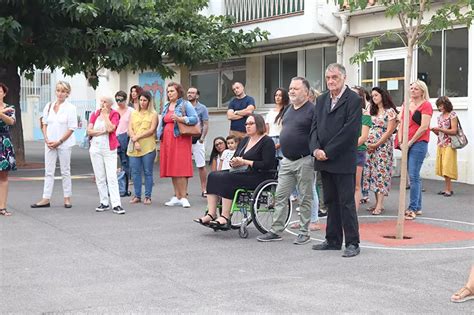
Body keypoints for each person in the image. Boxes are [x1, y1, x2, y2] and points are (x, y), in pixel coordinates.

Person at [310, 63, 362, 258]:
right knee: (330, 200)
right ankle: (332, 239)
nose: (331, 81)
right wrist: (315, 149)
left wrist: (328, 151)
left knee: (346, 202)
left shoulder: (353, 100)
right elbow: (314, 126)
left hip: (342, 158)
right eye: (328, 78)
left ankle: (352, 243)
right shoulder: (322, 99)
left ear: (343, 78)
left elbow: (350, 131)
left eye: (335, 78)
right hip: (323, 158)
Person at [256, 77, 315, 245]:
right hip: (287, 160)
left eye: (296, 88)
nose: (292, 91)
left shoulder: (312, 110)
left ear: (306, 91)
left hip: (304, 159)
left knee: (305, 197)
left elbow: (318, 133)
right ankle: (276, 230)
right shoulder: (288, 109)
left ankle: (304, 232)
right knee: (280, 196)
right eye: (290, 88)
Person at [194, 114, 276, 229]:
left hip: (259, 175)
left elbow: (267, 164)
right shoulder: (245, 140)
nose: (247, 126)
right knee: (213, 175)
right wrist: (234, 162)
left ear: (259, 124)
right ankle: (211, 214)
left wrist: (245, 162)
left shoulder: (267, 141)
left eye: (251, 123)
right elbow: (237, 156)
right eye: (246, 124)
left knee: (228, 178)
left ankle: (225, 216)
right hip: (242, 171)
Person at [31, 81, 77, 209]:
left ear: (67, 93)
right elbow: (44, 123)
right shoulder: (49, 106)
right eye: (58, 90)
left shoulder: (71, 108)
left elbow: (72, 128)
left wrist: (59, 141)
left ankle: (67, 197)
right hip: (50, 143)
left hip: (64, 144)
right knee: (48, 171)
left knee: (65, 171)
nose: (60, 93)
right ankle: (46, 198)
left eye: (63, 91)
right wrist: (46, 139)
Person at [157, 82, 198, 208]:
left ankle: (183, 196)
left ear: (178, 92)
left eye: (172, 91)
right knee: (172, 168)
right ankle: (176, 195)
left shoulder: (185, 104)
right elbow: (163, 122)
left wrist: (181, 119)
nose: (169, 93)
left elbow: (194, 118)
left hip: (180, 138)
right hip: (167, 139)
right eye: (168, 91)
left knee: (181, 167)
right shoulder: (166, 106)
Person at [399, 80, 433, 220]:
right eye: (411, 88)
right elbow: (401, 123)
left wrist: (410, 142)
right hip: (406, 142)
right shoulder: (406, 105)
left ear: (422, 91)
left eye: (416, 89)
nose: (413, 91)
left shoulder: (426, 105)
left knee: (413, 175)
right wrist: (401, 141)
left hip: (419, 142)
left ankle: (413, 208)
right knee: (412, 175)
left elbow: (424, 126)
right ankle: (417, 206)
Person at [362, 87, 398, 215]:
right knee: (372, 173)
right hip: (370, 146)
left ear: (382, 95)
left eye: (376, 95)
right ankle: (376, 202)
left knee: (381, 173)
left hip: (383, 146)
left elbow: (389, 131)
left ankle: (380, 204)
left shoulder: (390, 112)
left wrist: (377, 143)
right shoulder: (371, 110)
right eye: (372, 96)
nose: (374, 98)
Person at [87, 96, 124, 214]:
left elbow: (111, 128)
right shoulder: (94, 114)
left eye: (104, 102)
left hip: (109, 148)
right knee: (100, 176)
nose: (102, 104)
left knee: (111, 176)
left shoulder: (114, 114)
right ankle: (104, 202)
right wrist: (101, 132)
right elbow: (89, 131)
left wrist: (105, 117)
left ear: (109, 104)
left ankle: (116, 204)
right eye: (101, 101)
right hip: (95, 147)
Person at [128, 91, 158, 205]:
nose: (142, 102)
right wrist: (134, 139)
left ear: (149, 101)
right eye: (141, 100)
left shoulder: (153, 114)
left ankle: (148, 196)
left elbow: (151, 130)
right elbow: (129, 128)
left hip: (148, 146)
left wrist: (137, 137)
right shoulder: (134, 113)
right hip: (134, 146)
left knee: (147, 172)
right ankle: (137, 195)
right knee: (135, 172)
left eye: (145, 100)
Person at [431, 96, 458, 197]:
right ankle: (447, 188)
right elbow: (440, 134)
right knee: (442, 167)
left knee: (447, 166)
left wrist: (440, 129)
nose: (440, 107)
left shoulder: (452, 115)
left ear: (446, 105)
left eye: (442, 105)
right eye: (439, 106)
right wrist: (436, 131)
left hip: (450, 144)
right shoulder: (440, 117)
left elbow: (454, 131)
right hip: (441, 143)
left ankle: (448, 189)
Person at [351, 86, 372, 212]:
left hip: (357, 151)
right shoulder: (344, 112)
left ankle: (353, 212)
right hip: (344, 152)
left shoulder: (364, 114)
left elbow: (363, 137)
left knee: (356, 185)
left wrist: (348, 147)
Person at [187, 87, 209, 197]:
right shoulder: (183, 107)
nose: (190, 94)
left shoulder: (202, 108)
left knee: (201, 165)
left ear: (197, 95)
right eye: (189, 92)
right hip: (185, 140)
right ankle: (183, 191)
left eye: (192, 93)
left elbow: (205, 123)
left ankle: (204, 189)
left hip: (197, 139)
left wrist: (202, 138)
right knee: (184, 165)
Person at [0, 83, 16, 216]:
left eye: (0, 91)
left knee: (4, 176)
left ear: (4, 94)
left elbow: (11, 122)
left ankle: (2, 207)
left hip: (4, 143)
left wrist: (1, 114)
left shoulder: (10, 108)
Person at [114, 90, 134, 196]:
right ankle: (114, 187)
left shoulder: (131, 111)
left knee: (125, 162)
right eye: (117, 99)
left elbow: (133, 125)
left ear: (125, 100)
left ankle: (124, 188)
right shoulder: (113, 111)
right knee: (113, 162)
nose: (119, 102)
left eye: (121, 99)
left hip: (125, 137)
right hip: (114, 137)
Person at [265, 88, 289, 159]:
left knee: (282, 162)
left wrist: (280, 144)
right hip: (270, 140)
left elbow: (287, 130)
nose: (277, 97)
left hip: (282, 140)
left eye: (280, 95)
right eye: (276, 95)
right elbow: (267, 130)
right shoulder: (270, 112)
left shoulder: (287, 112)